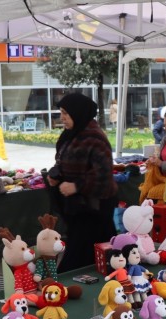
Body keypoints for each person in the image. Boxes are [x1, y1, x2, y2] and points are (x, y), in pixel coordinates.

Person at [47, 93, 117, 272]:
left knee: (79, 259)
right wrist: (56, 174)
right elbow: (63, 160)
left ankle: (62, 291)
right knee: (91, 259)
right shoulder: (72, 134)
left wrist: (76, 186)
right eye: (61, 112)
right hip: (78, 210)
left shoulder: (95, 138)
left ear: (77, 113)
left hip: (93, 211)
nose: (61, 117)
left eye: (65, 113)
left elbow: (104, 174)